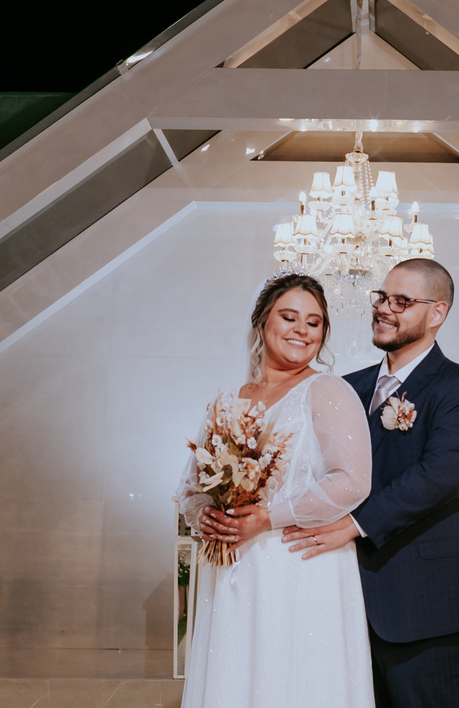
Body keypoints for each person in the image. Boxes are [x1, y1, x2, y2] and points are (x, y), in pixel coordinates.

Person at [282, 259, 459, 708]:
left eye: (402, 301)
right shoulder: (347, 388)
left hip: (430, 600)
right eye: (382, 297)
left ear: (437, 313)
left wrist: (354, 524)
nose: (384, 308)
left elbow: (440, 475)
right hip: (345, 599)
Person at [176, 273, 374, 708]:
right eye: (289, 317)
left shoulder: (327, 390)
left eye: (314, 322)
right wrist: (206, 514)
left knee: (294, 676)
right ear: (262, 322)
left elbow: (352, 481)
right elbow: (192, 486)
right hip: (234, 566)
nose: (302, 329)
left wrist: (268, 517)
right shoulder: (228, 400)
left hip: (298, 561)